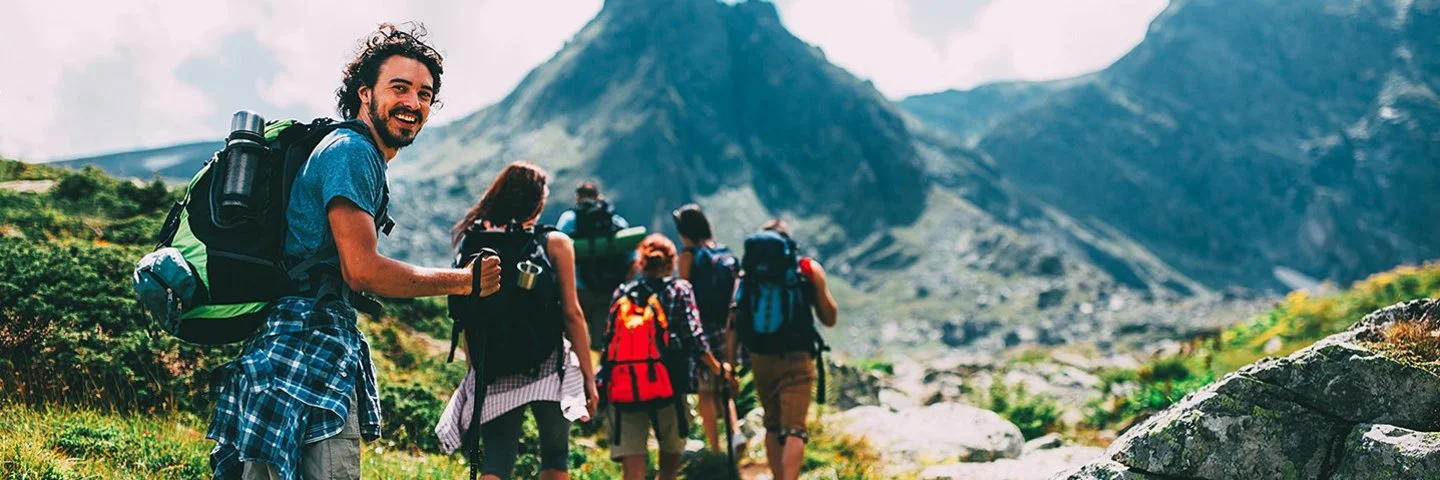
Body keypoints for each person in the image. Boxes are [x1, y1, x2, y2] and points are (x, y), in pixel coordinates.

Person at [206, 23, 503, 480]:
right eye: (399, 88)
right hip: (307, 346)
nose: (413, 103)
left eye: (425, 94)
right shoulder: (352, 152)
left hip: (290, 344)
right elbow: (363, 271)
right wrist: (465, 282)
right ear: (365, 93)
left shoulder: (347, 150)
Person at [435, 161, 599, 480]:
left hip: (495, 367)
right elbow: (572, 314)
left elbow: (467, 315)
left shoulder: (473, 241)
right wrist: (589, 378)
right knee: (555, 457)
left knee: (497, 461)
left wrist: (477, 369)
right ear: (537, 201)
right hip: (549, 363)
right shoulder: (552, 243)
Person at [600, 234, 732, 480]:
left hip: (626, 384)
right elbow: (694, 337)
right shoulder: (680, 290)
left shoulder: (623, 291)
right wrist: (717, 369)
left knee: (633, 464)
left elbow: (608, 339)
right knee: (670, 457)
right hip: (670, 384)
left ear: (640, 262)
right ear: (671, 263)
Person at [728, 220, 838, 480]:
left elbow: (733, 321)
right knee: (795, 429)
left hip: (760, 358)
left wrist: (730, 366)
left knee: (773, 425)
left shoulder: (749, 275)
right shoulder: (806, 269)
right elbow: (829, 318)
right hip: (797, 357)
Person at [671, 204, 745, 454]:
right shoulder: (722, 252)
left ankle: (715, 449)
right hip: (726, 328)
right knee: (724, 383)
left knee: (705, 393)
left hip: (701, 328)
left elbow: (684, 292)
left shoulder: (688, 255)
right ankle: (734, 434)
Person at [556, 180, 633, 350]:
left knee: (573, 342)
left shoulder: (570, 219)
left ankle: (580, 375)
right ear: (598, 197)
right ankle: (602, 375)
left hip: (578, 290)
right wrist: (622, 283)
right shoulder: (614, 220)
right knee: (604, 343)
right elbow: (632, 257)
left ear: (577, 198)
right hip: (608, 290)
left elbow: (556, 251)